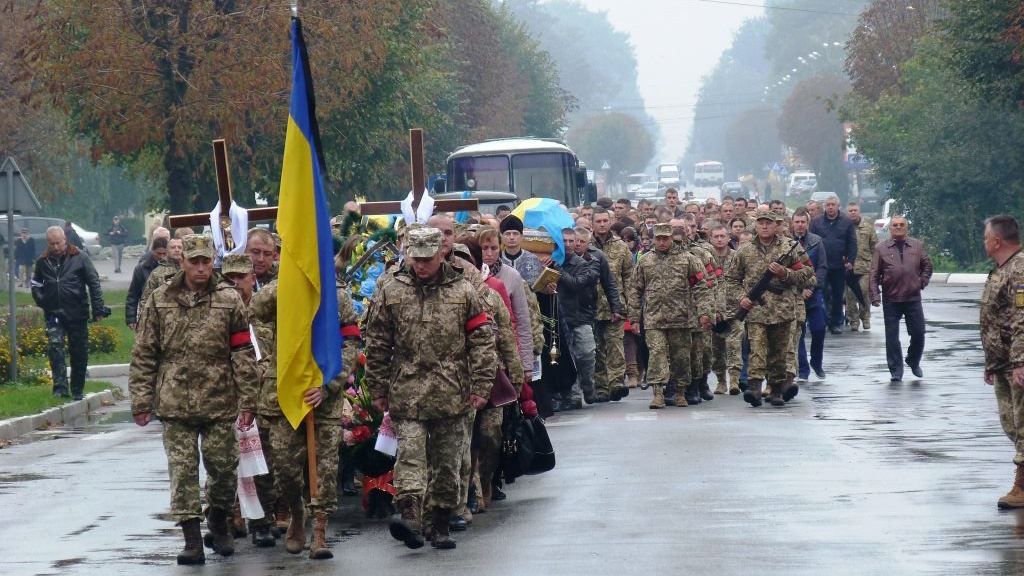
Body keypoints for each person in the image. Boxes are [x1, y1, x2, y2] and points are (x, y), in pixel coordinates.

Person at [129, 234, 257, 565]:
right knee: (183, 472)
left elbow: (243, 351)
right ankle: (191, 540)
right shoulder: (160, 300)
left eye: (205, 261)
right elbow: (144, 353)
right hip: (175, 402)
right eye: (194, 261)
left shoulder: (229, 299)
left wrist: (248, 400)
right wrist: (141, 400)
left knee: (223, 469)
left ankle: (217, 519)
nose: (200, 268)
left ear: (213, 262)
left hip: (219, 400)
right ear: (182, 261)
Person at [365, 227, 495, 551]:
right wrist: (377, 386)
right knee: (409, 455)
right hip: (407, 389)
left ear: (442, 255)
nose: (421, 265)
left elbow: (481, 341)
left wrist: (481, 384)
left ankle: (439, 522)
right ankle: (409, 515)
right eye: (415, 258)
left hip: (452, 390)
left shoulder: (463, 289)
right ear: (407, 254)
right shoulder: (391, 289)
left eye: (428, 259)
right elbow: (378, 341)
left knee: (448, 462)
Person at [726, 209, 813, 407]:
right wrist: (742, 299)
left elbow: (807, 273)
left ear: (777, 226)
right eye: (761, 223)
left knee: (780, 352)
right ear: (755, 226)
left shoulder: (790, 247)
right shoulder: (745, 250)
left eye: (769, 223)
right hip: (756, 310)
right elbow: (731, 280)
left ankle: (776, 390)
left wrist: (785, 274)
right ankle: (754, 388)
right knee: (756, 350)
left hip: (783, 309)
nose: (764, 226)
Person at [629, 223, 712, 409]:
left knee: (680, 357)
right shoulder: (645, 261)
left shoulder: (688, 259)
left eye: (665, 238)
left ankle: (680, 392)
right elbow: (635, 289)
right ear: (653, 240)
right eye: (658, 238)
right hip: (653, 318)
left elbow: (701, 287)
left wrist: (705, 313)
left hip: (681, 318)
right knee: (657, 354)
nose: (661, 242)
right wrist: (634, 318)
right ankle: (658, 393)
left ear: (671, 238)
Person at [979, 215, 1024, 509]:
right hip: (1003, 362)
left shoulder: (1019, 270)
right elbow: (995, 320)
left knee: (1022, 424)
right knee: (1011, 424)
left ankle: (1021, 486)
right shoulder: (1001, 269)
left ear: (996, 241)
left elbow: (1022, 318)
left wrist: (1021, 361)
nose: (984, 242)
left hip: (1017, 362)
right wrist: (992, 362)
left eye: (986, 237)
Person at [31, 226, 106, 400]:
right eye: (52, 244)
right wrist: (42, 300)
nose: (55, 247)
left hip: (77, 311)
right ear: (47, 243)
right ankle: (60, 388)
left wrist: (98, 308)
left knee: (78, 350)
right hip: (53, 313)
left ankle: (77, 388)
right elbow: (35, 284)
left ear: (65, 240)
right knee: (55, 348)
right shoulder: (42, 261)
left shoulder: (80, 257)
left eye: (58, 243)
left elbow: (93, 283)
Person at [870, 215, 932, 382]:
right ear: (890, 228)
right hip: (891, 298)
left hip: (912, 297)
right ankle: (896, 370)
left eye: (901, 225)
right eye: (895, 225)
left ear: (907, 227)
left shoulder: (917, 245)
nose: (898, 227)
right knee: (892, 337)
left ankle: (913, 360)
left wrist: (922, 281)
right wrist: (875, 295)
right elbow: (874, 274)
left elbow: (927, 265)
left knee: (919, 333)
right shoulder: (881, 248)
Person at [590, 208, 631, 401]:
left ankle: (616, 382)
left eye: (605, 220)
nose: (602, 224)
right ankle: (601, 385)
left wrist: (628, 303)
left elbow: (629, 276)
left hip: (615, 304)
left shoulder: (621, 246)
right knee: (597, 347)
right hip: (591, 306)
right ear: (592, 224)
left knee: (615, 345)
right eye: (598, 221)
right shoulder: (586, 246)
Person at [810, 196, 858, 334]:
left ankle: (836, 322)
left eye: (833, 205)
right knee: (822, 292)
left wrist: (851, 260)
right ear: (825, 206)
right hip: (821, 265)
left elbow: (852, 243)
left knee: (837, 295)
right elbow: (811, 242)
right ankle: (824, 320)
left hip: (839, 264)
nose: (830, 207)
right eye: (828, 205)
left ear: (838, 206)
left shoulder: (846, 222)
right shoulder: (816, 222)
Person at [790, 208, 828, 380]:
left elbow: (821, 267)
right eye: (797, 222)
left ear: (807, 223)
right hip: (794, 294)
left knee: (819, 329)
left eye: (803, 222)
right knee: (798, 332)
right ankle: (803, 369)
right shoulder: (786, 243)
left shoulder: (816, 241)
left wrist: (811, 288)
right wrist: (799, 289)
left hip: (814, 292)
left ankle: (817, 362)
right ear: (792, 223)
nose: (800, 225)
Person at [845, 202, 877, 331]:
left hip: (865, 266)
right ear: (847, 212)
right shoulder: (845, 227)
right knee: (851, 294)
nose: (853, 212)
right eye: (850, 210)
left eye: (855, 210)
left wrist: (876, 265)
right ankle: (854, 320)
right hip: (849, 267)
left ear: (859, 211)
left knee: (864, 292)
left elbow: (874, 246)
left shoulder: (868, 227)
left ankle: (865, 317)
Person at [126, 237, 168, 330]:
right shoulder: (141, 269)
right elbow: (133, 294)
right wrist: (131, 318)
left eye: (164, 253)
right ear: (152, 251)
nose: (161, 256)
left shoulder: (173, 269)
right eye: (158, 253)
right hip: (147, 312)